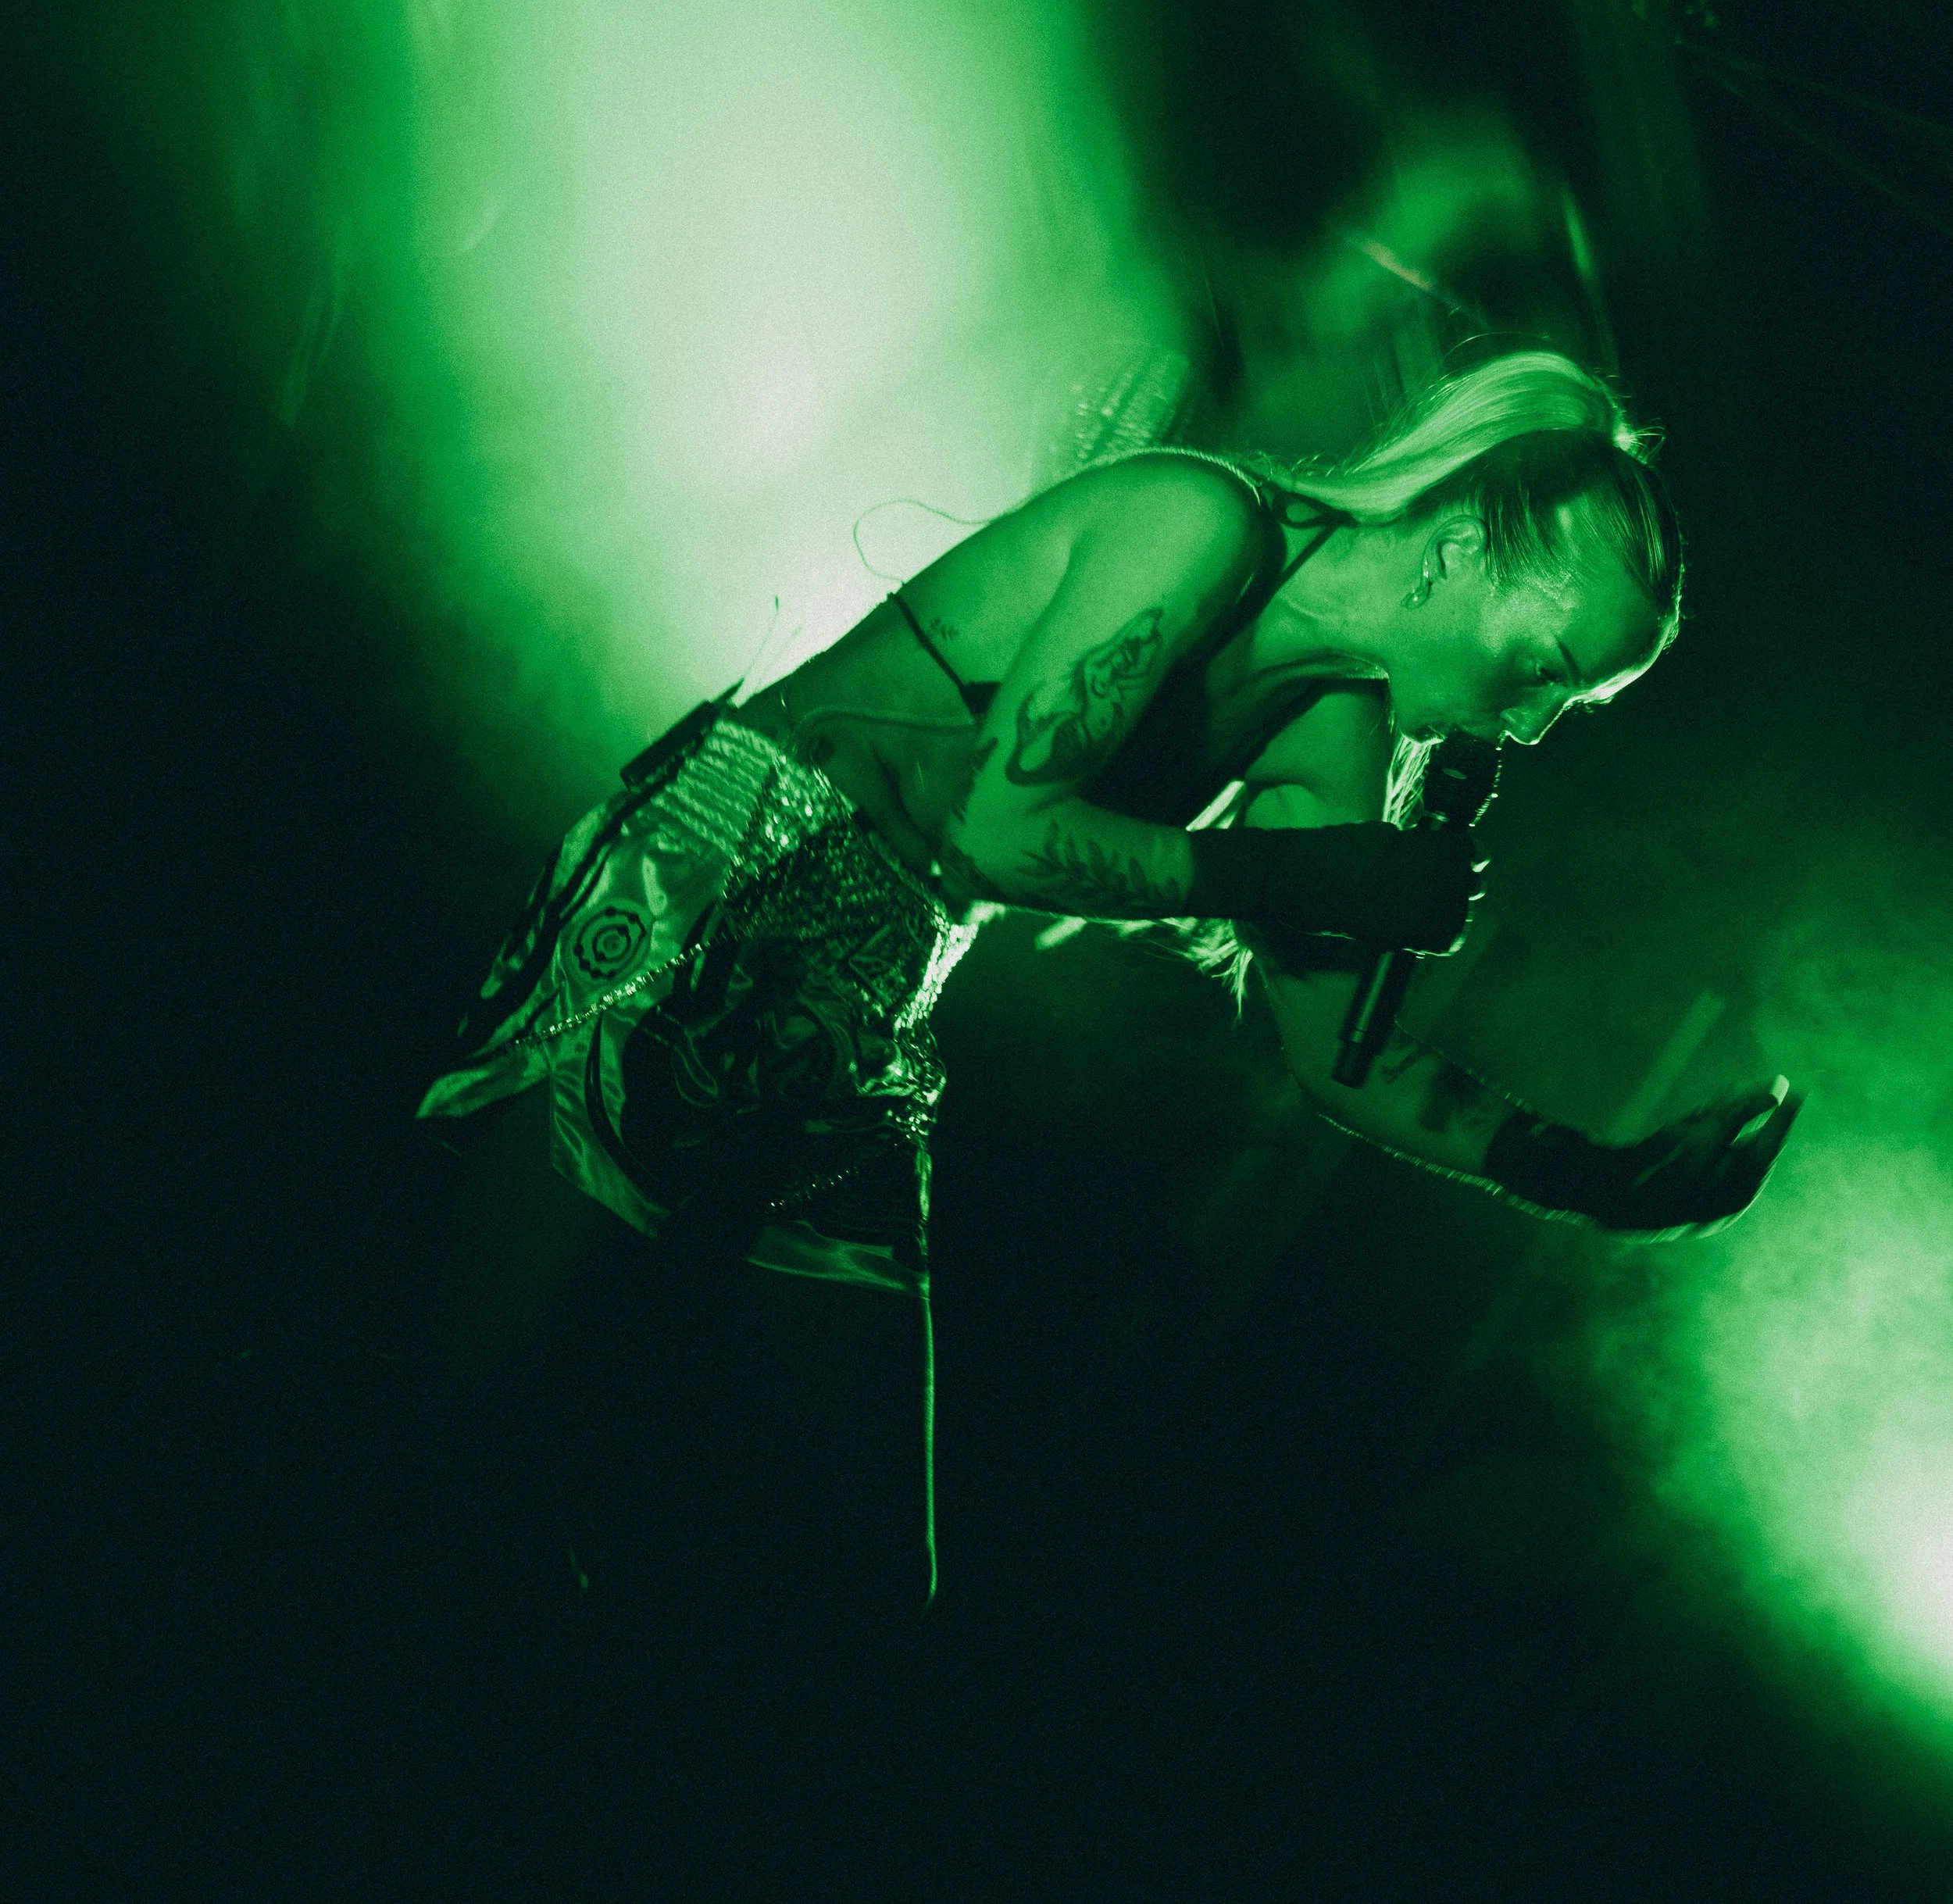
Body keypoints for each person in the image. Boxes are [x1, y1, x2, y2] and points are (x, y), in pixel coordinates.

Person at [416, 346, 1799, 1656]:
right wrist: (1330, 870)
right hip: (720, 873)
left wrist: (1592, 1173)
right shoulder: (1198, 524)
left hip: (876, 997)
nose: (1537, 722)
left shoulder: (1333, 726)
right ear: (1456, 552)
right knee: (451, 1403)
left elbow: (1335, 1062)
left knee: (866, 1574)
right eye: (1547, 667)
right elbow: (1000, 827)